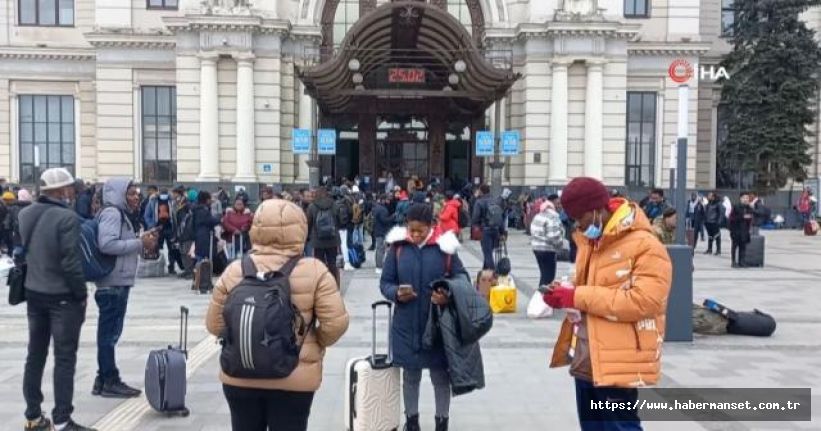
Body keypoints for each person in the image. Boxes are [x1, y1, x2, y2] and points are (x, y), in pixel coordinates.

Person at [206, 199, 349, 431]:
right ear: (301, 228)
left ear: (257, 227)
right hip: (293, 377)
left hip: (240, 373)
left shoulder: (235, 270)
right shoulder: (314, 270)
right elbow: (336, 324)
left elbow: (214, 325)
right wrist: (314, 343)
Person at [543, 177, 671, 431]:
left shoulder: (646, 245)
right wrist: (563, 293)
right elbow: (590, 289)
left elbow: (643, 301)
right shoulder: (591, 241)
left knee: (621, 427)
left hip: (618, 361)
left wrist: (576, 296)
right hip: (588, 357)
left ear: (595, 210)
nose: (577, 225)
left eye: (580, 217)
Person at [20, 168, 97, 431]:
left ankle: (33, 415)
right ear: (62, 190)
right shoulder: (67, 218)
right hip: (62, 298)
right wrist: (82, 294)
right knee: (64, 358)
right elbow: (70, 263)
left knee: (35, 354)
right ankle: (63, 419)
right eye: (70, 188)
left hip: (34, 294)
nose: (73, 192)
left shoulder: (25, 213)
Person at [381, 204, 465, 431]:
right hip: (406, 324)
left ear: (431, 226)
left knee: (440, 376)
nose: (415, 235)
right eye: (411, 230)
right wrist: (396, 293)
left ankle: (441, 422)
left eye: (420, 230)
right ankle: (412, 422)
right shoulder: (397, 248)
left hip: (437, 324)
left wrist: (447, 294)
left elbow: (461, 279)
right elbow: (385, 282)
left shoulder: (445, 248)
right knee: (410, 376)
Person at [93, 178, 158, 398]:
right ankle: (109, 380)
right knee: (109, 335)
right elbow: (108, 244)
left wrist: (140, 239)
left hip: (116, 282)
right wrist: (140, 243)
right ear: (118, 194)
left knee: (109, 333)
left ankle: (102, 379)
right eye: (130, 193)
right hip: (113, 283)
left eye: (136, 192)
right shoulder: (112, 214)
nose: (136, 196)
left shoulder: (118, 213)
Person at [306, 187, 342, 284]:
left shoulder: (312, 206)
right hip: (333, 239)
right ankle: (334, 284)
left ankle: (321, 285)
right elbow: (339, 221)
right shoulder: (334, 205)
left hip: (318, 241)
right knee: (332, 264)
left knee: (319, 264)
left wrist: (308, 237)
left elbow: (308, 223)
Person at [530, 198, 564, 287]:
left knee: (544, 275)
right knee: (549, 278)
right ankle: (543, 297)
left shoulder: (538, 216)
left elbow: (532, 231)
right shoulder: (553, 216)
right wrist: (560, 246)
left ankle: (540, 295)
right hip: (548, 250)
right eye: (558, 204)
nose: (559, 206)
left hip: (537, 249)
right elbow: (553, 235)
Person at [471, 184, 506, 270]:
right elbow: (500, 217)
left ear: (481, 191)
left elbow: (475, 217)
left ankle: (493, 274)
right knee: (489, 252)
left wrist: (476, 226)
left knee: (488, 254)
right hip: (496, 230)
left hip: (485, 230)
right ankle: (485, 272)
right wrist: (502, 232)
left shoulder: (479, 202)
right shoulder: (495, 201)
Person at [193, 191, 221, 268]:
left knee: (200, 252)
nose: (211, 201)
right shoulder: (203, 210)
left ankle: (200, 270)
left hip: (200, 234)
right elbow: (210, 220)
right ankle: (201, 271)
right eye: (210, 199)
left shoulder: (198, 208)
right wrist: (220, 219)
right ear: (206, 199)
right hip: (204, 235)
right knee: (203, 253)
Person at [371, 193, 394, 275]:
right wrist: (393, 217)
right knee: (381, 249)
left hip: (377, 230)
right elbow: (385, 220)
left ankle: (378, 265)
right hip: (382, 231)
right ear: (383, 200)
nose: (388, 201)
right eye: (387, 199)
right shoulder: (383, 209)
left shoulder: (376, 208)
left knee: (379, 249)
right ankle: (379, 267)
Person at [729, 193, 754, 268]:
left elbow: (751, 218)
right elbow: (731, 218)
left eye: (747, 198)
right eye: (744, 198)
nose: (746, 199)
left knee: (743, 247)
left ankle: (742, 261)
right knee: (734, 246)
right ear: (741, 199)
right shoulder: (736, 207)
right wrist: (742, 217)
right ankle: (733, 262)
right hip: (736, 230)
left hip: (745, 230)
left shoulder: (749, 208)